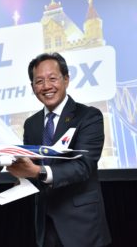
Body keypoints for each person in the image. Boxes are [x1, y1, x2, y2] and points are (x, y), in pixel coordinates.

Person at [7, 52, 112, 247]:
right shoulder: (31, 124)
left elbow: (83, 167)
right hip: (44, 225)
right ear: (32, 87)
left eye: (52, 79)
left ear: (66, 79)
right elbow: (33, 167)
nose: (46, 86)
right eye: (39, 81)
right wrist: (19, 176)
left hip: (82, 226)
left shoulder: (89, 116)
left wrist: (38, 171)